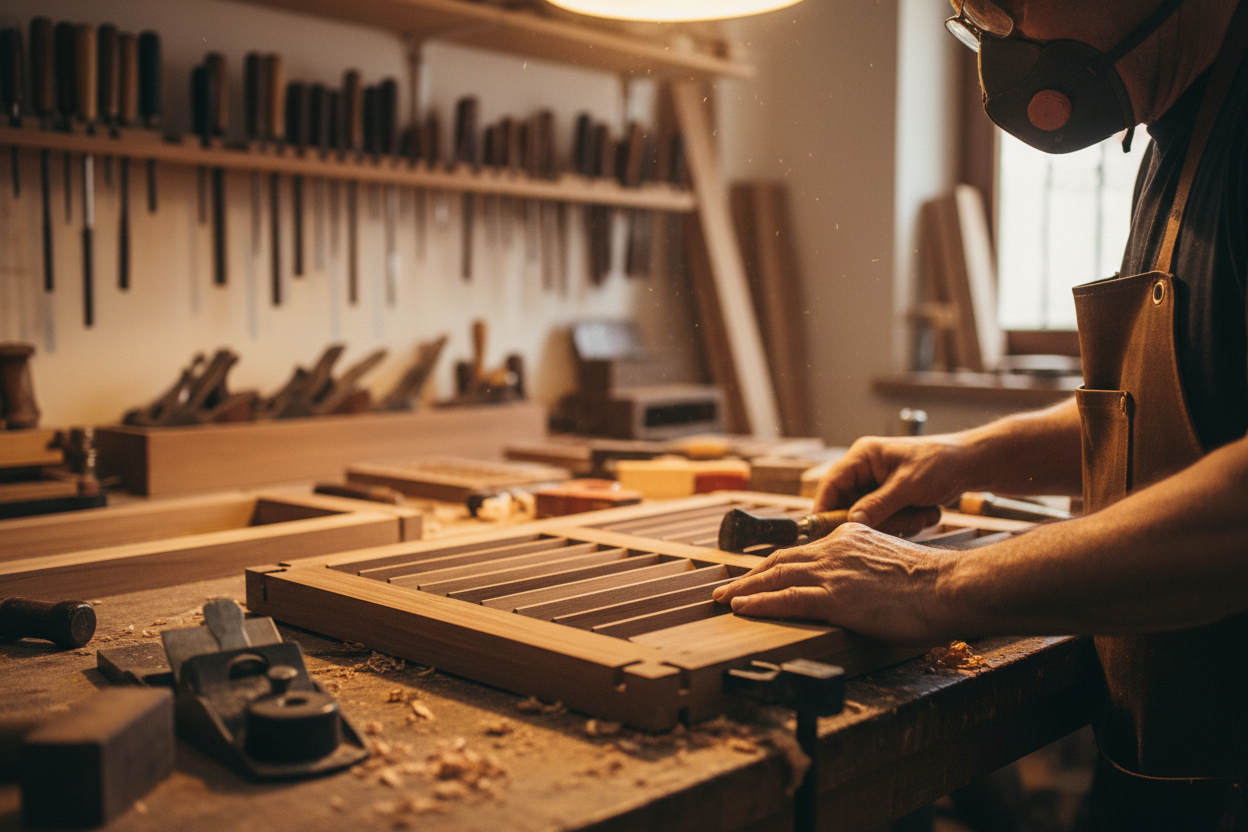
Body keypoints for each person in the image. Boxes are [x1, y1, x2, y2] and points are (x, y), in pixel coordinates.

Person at [712, 0, 1248, 827]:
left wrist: (939, 583)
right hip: (1169, 768)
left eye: (1005, 3)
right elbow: (1188, 412)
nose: (993, 29)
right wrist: (965, 459)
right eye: (968, 10)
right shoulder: (1182, 119)